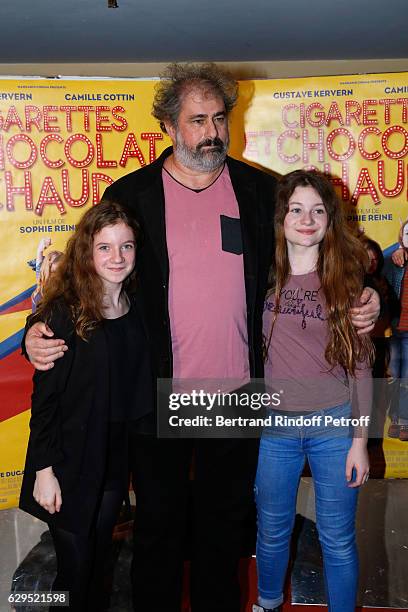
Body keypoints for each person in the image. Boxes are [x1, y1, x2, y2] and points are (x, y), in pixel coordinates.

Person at [23, 64, 380, 612]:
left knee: (223, 531)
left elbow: (332, 252)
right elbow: (82, 274)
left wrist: (379, 295)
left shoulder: (261, 192)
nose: (213, 131)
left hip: (238, 395)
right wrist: (36, 332)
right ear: (168, 125)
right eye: (198, 120)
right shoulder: (132, 195)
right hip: (159, 397)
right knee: (158, 533)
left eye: (220, 118)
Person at [19, 201, 152, 611]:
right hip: (67, 462)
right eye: (105, 247)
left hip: (112, 461)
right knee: (75, 570)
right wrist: (44, 472)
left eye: (126, 247)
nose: (117, 258)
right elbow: (45, 401)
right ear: (87, 251)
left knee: (96, 565)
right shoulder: (66, 312)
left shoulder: (138, 307)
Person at [253, 170, 373, 612]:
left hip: (335, 427)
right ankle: (266, 604)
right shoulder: (260, 275)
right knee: (271, 530)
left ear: (330, 220)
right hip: (274, 430)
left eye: (318, 210)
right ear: (282, 217)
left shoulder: (347, 282)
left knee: (337, 537)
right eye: (297, 209)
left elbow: (361, 369)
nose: (307, 219)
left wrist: (359, 443)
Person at [383, 219, 408, 440]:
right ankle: (396, 418)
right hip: (396, 329)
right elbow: (376, 262)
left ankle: (402, 422)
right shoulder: (394, 258)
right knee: (394, 377)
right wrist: (397, 249)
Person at [30, 238, 63, 312]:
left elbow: (40, 269)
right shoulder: (41, 291)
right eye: (55, 272)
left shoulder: (41, 283)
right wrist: (39, 251)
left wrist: (40, 251)